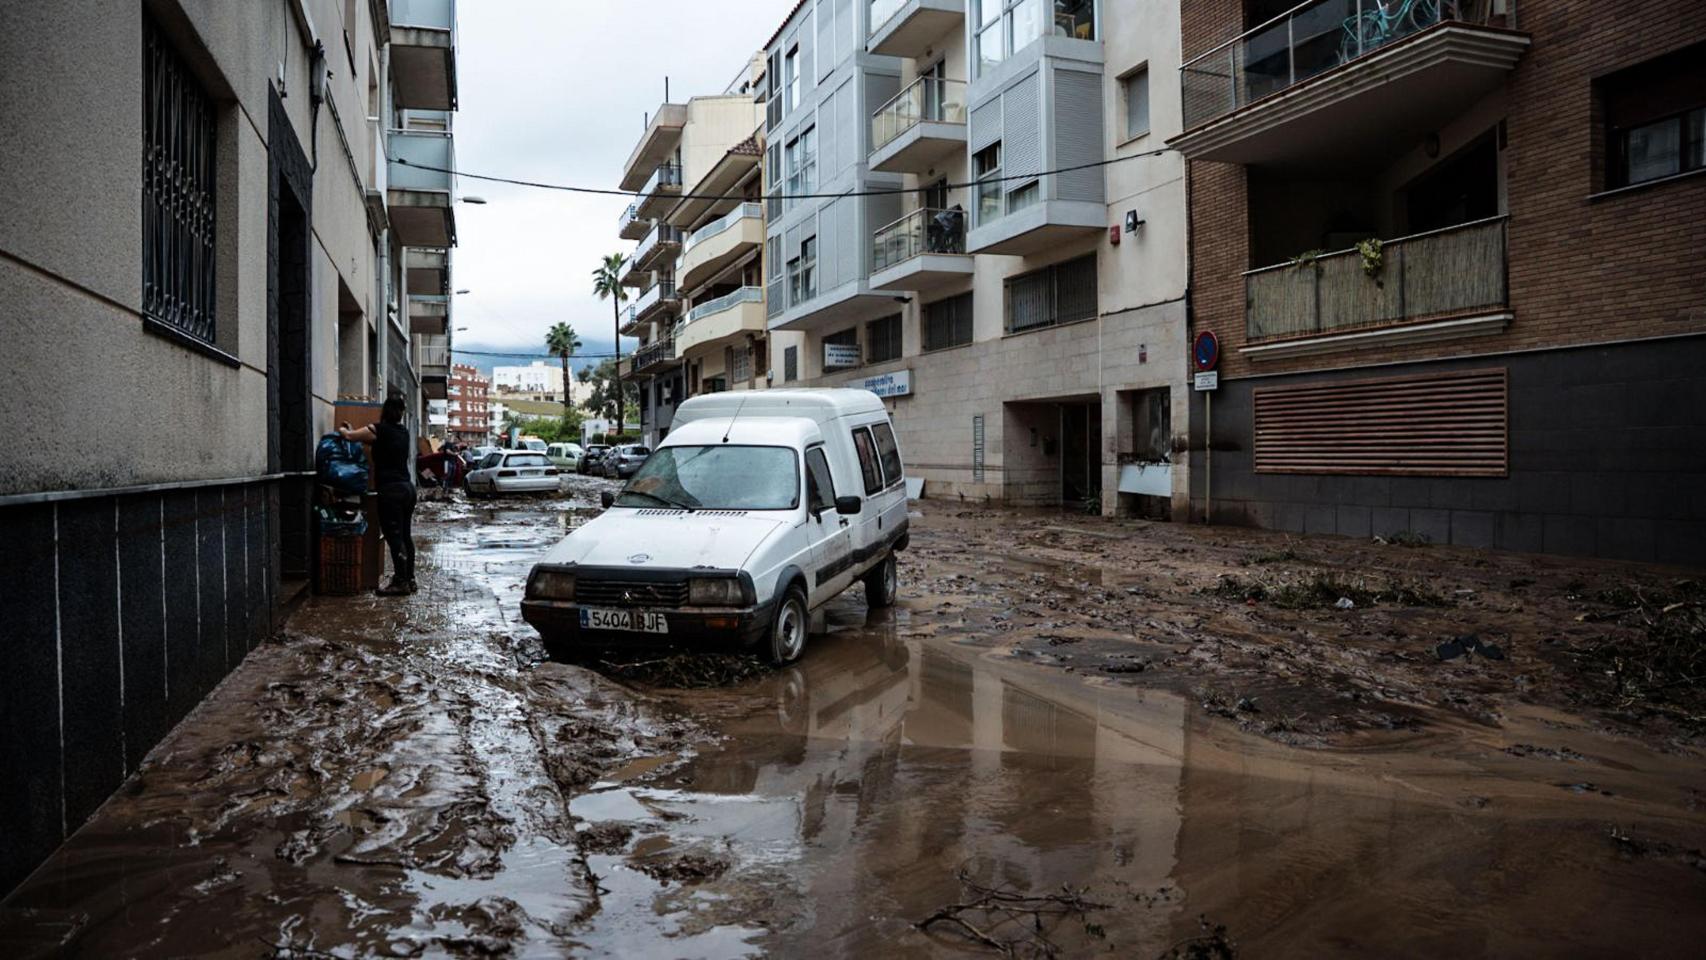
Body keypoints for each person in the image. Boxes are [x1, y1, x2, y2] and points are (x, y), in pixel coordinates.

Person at [339, 396, 417, 595]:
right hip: (407, 489)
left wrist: (344, 429)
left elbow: (350, 437)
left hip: (391, 491)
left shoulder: (379, 430)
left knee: (394, 537)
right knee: (406, 536)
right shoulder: (403, 432)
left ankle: (400, 582)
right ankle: (410, 579)